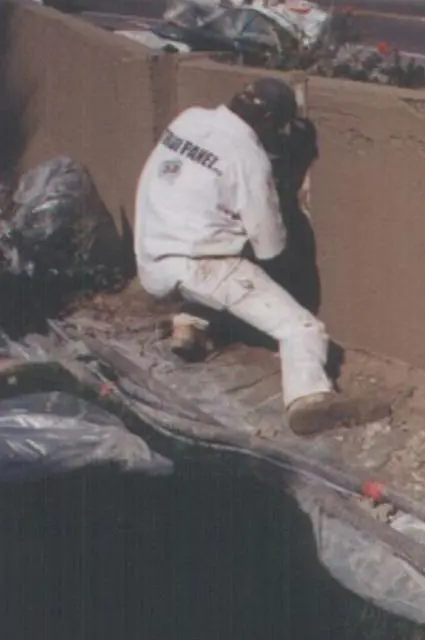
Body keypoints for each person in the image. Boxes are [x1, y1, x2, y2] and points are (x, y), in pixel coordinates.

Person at [133, 77, 391, 437]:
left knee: (226, 263)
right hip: (199, 265)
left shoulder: (189, 119)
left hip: (150, 255)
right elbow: (271, 247)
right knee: (300, 327)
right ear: (268, 120)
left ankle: (188, 326)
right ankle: (308, 400)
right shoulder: (249, 157)